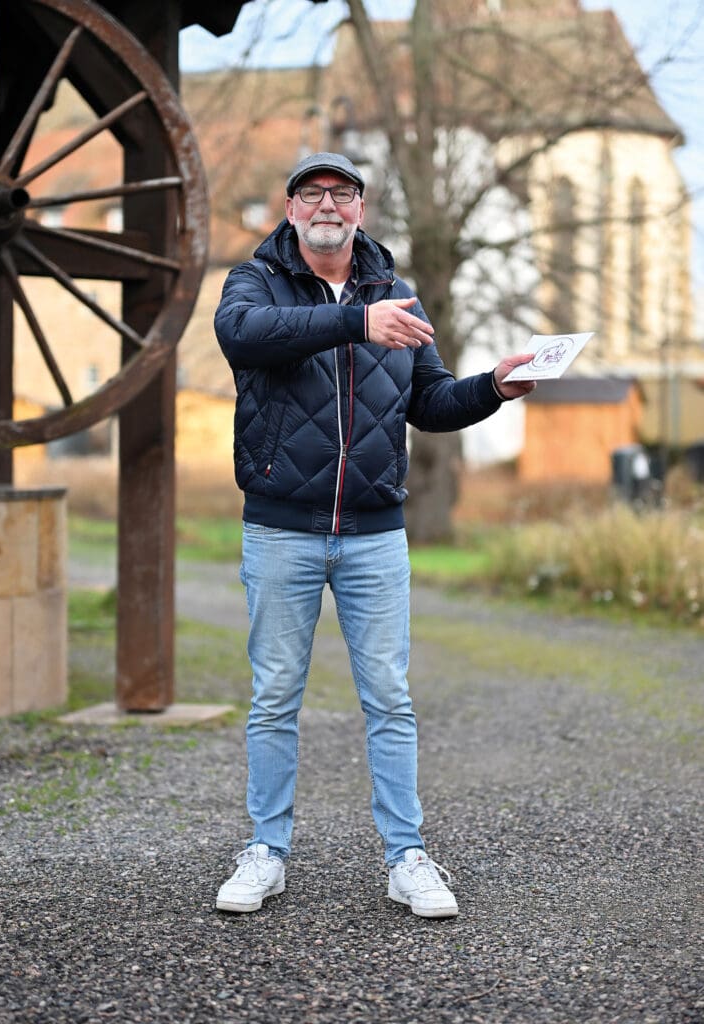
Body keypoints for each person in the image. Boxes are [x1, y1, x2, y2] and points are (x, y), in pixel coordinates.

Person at [213, 151, 536, 918]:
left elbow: (429, 403)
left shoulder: (400, 295)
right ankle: (266, 850)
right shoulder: (252, 283)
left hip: (374, 536)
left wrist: (493, 388)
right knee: (273, 698)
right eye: (312, 192)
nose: (328, 203)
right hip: (281, 529)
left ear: (360, 208)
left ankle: (406, 857)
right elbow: (245, 338)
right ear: (290, 210)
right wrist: (357, 321)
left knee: (389, 699)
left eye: (343, 192)